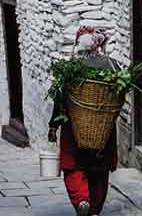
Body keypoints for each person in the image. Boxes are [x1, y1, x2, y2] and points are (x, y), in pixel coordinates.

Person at [48, 26, 118, 216]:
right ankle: (94, 208)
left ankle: (81, 199)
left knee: (74, 167)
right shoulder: (112, 66)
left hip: (74, 127)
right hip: (103, 130)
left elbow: (60, 98)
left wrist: (53, 126)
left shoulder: (71, 69)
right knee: (99, 171)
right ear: (98, 45)